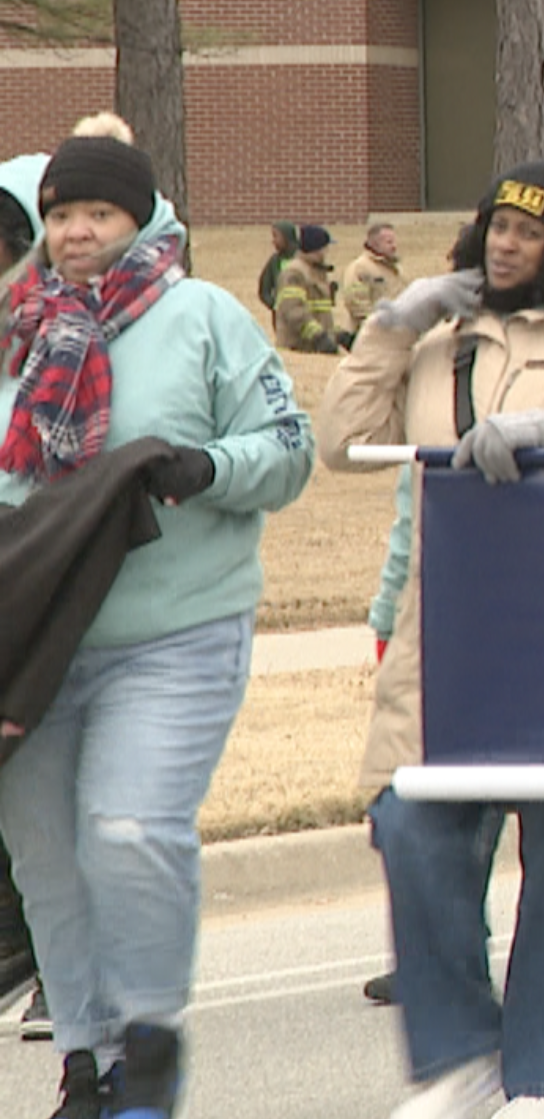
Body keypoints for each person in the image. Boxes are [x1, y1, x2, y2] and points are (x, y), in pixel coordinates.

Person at [320, 159, 544, 1119]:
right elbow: (344, 441)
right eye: (496, 226)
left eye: (529, 231)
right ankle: (464, 1055)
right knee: (412, 827)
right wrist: (393, 328)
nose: (505, 244)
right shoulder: (443, 338)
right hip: (450, 631)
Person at [0, 130, 315, 1119]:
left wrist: (208, 468)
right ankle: (86, 1062)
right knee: (49, 858)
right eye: (58, 215)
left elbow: (290, 449)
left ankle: (149, 1045)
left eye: (95, 212)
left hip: (172, 632)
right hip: (31, 647)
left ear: (141, 218)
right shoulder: (16, 326)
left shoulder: (203, 317)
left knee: (128, 829)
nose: (75, 232)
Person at [272, 225, 343, 353]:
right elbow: (293, 310)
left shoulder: (316, 272)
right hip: (297, 347)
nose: (327, 252)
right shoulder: (294, 273)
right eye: (325, 247)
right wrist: (318, 337)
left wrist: (338, 335)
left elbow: (321, 314)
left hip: (313, 347)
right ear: (316, 249)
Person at [340, 221, 408, 343]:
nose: (394, 246)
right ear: (375, 244)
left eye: (394, 241)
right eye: (389, 242)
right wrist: (378, 324)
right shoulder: (360, 268)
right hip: (367, 336)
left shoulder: (397, 270)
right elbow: (355, 302)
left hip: (395, 333)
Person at [254, 222, 298, 315]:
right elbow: (264, 290)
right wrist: (274, 305)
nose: (273, 241)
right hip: (281, 318)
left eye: (276, 236)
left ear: (287, 237)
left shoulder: (303, 260)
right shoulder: (274, 262)